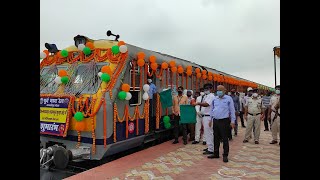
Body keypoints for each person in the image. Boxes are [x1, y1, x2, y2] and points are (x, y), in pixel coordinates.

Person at [207, 85, 236, 163]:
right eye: (217, 90)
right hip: (215, 121)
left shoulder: (228, 99)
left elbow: (232, 111)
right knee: (215, 137)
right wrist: (210, 119)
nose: (218, 91)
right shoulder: (215, 99)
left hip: (224, 121)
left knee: (224, 138)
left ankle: (225, 155)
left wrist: (233, 121)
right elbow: (212, 109)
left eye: (220, 90)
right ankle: (216, 153)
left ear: (224, 91)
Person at [193, 84, 215, 155]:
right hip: (204, 116)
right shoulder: (206, 96)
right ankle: (209, 147)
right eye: (205, 88)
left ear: (211, 89)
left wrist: (198, 103)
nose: (206, 90)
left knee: (209, 133)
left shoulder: (211, 96)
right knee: (207, 133)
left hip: (208, 117)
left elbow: (207, 104)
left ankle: (211, 149)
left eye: (207, 88)